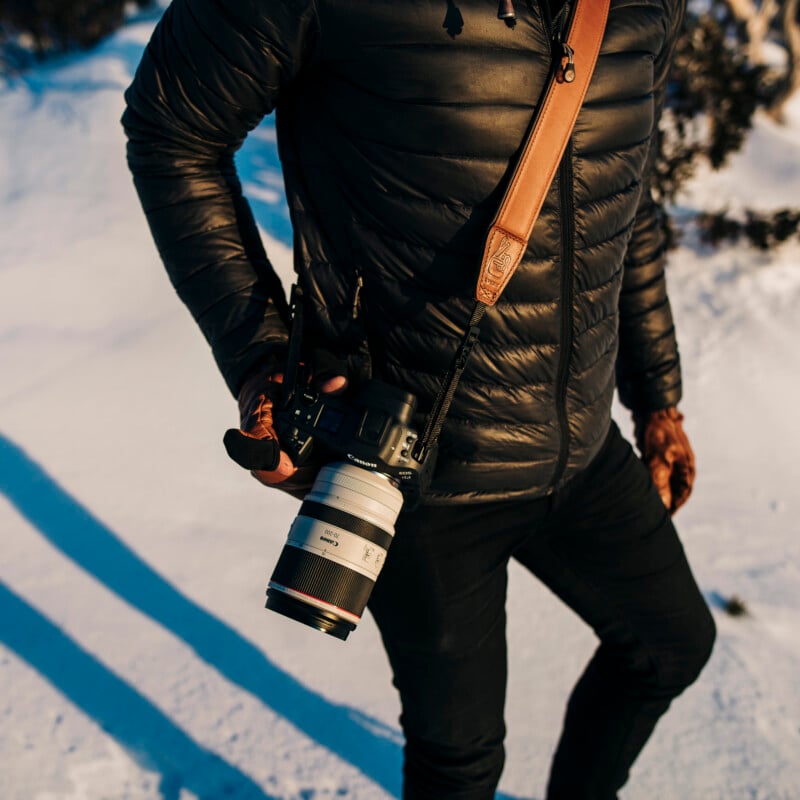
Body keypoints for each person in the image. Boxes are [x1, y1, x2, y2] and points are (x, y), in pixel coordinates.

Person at [122, 0, 716, 797]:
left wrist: (656, 399)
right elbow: (172, 128)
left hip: (579, 445)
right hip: (417, 473)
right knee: (459, 761)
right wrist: (262, 360)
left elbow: (625, 191)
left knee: (671, 646)